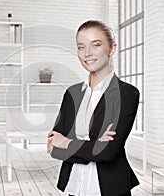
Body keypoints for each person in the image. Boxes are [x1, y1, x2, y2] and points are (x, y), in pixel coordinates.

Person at [47, 20, 140, 196]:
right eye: (81, 47)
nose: (87, 53)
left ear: (112, 48)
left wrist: (68, 142)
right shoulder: (72, 93)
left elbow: (108, 152)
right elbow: (54, 148)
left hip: (111, 188)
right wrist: (93, 146)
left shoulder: (126, 94)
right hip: (74, 186)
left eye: (95, 45)